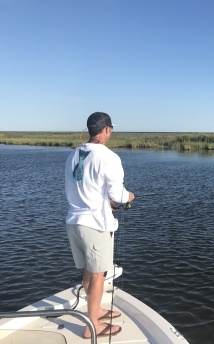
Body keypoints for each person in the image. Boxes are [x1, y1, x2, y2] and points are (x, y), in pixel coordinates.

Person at [65, 112, 135, 339]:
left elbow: (85, 190)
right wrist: (129, 197)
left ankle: (96, 312)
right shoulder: (109, 157)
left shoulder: (73, 156)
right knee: (98, 275)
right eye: (111, 129)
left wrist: (107, 201)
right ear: (106, 129)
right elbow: (119, 194)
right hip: (95, 225)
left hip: (74, 222)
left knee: (89, 270)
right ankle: (91, 326)